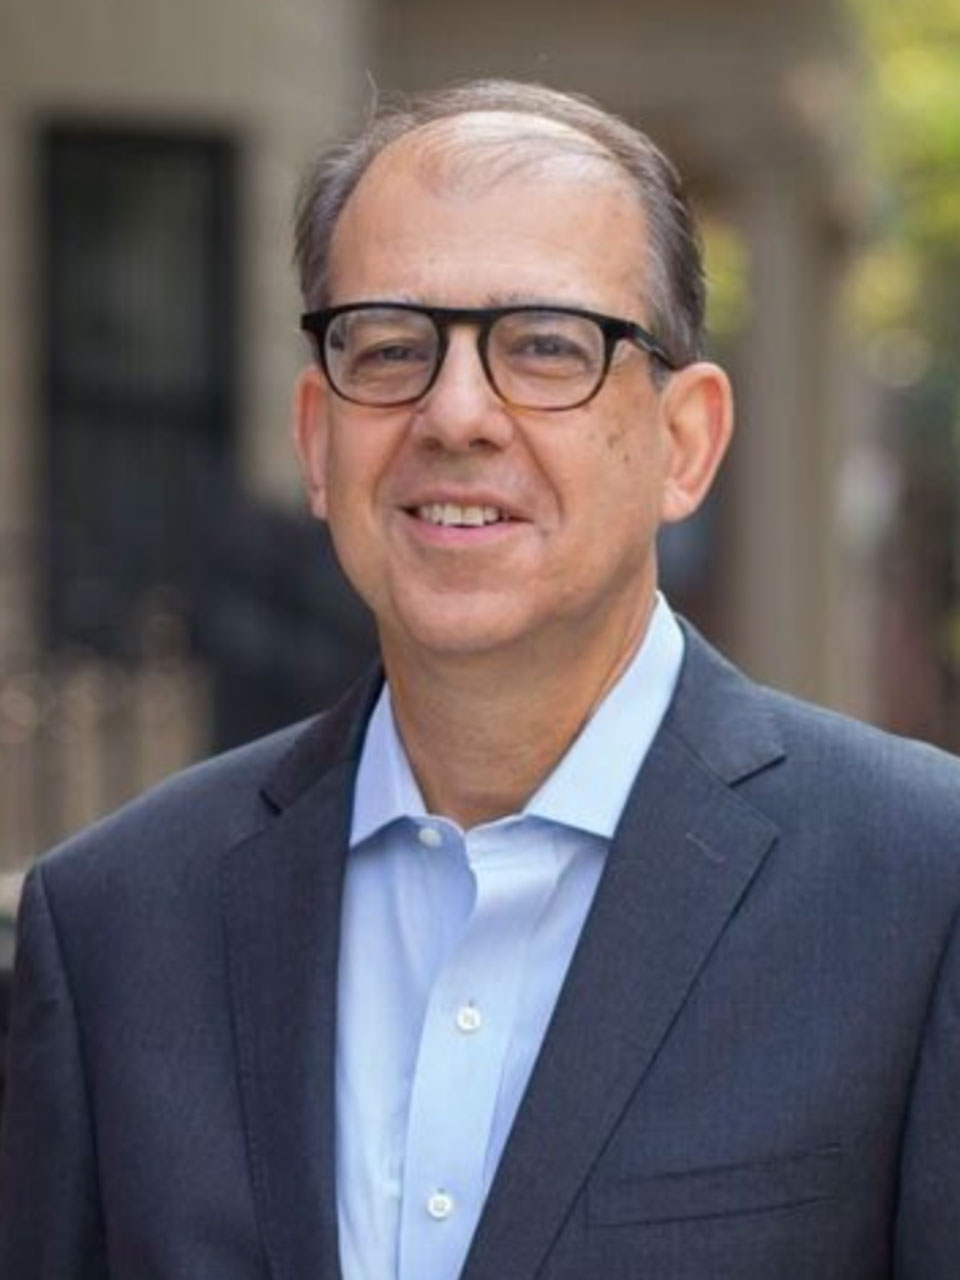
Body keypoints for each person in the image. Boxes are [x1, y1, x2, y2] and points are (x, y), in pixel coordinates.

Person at [1, 79, 959, 1280]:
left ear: (686, 441)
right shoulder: (116, 926)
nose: (456, 412)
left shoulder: (921, 886)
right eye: (392, 346)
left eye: (547, 346)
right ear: (316, 437)